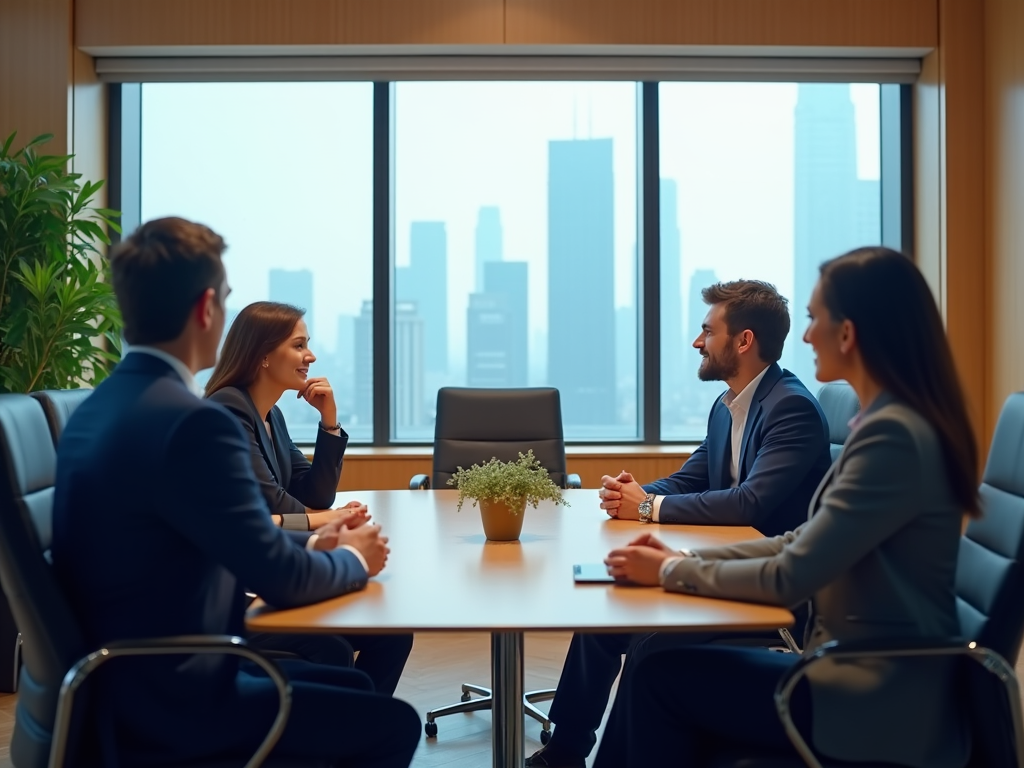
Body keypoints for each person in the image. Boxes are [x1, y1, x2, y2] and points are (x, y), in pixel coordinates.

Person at [51, 217, 420, 768]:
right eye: (223, 298)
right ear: (206, 308)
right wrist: (351, 559)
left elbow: (221, 542)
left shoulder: (95, 410)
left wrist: (311, 546)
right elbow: (282, 579)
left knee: (354, 687)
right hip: (179, 694)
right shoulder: (196, 422)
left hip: (113, 684)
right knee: (394, 723)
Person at [595, 246, 978, 768]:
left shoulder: (893, 438)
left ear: (849, 333)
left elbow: (790, 575)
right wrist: (674, 561)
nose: (804, 336)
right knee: (654, 665)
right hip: (854, 672)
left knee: (658, 674)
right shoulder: (888, 425)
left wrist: (671, 570)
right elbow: (800, 540)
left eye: (814, 319)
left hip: (872, 701)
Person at [527, 280, 832, 768]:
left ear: (744, 341)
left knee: (652, 639)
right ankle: (565, 751)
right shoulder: (729, 404)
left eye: (707, 331)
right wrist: (637, 494)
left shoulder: (789, 407)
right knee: (603, 613)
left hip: (770, 587)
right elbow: (693, 476)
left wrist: (646, 510)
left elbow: (749, 503)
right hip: (728, 568)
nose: (697, 341)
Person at [205, 300, 413, 695]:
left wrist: (329, 423)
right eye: (299, 345)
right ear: (263, 355)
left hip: (273, 568)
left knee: (392, 635)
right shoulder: (229, 410)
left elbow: (314, 492)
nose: (310, 356)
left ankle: (357, 739)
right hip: (241, 591)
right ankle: (343, 738)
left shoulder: (270, 415)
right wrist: (329, 518)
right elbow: (278, 506)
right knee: (329, 646)